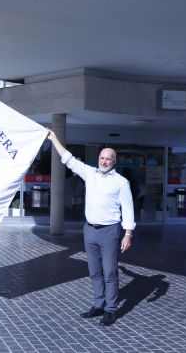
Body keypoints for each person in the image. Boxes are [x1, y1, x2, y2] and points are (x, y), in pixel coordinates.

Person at [47, 129, 134, 326]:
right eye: (102, 158)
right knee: (94, 271)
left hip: (110, 231)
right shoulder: (90, 174)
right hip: (90, 230)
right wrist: (54, 139)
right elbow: (69, 160)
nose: (104, 162)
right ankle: (98, 304)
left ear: (114, 161)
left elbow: (128, 210)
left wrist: (128, 234)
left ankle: (110, 310)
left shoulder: (121, 182)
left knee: (110, 272)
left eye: (108, 159)